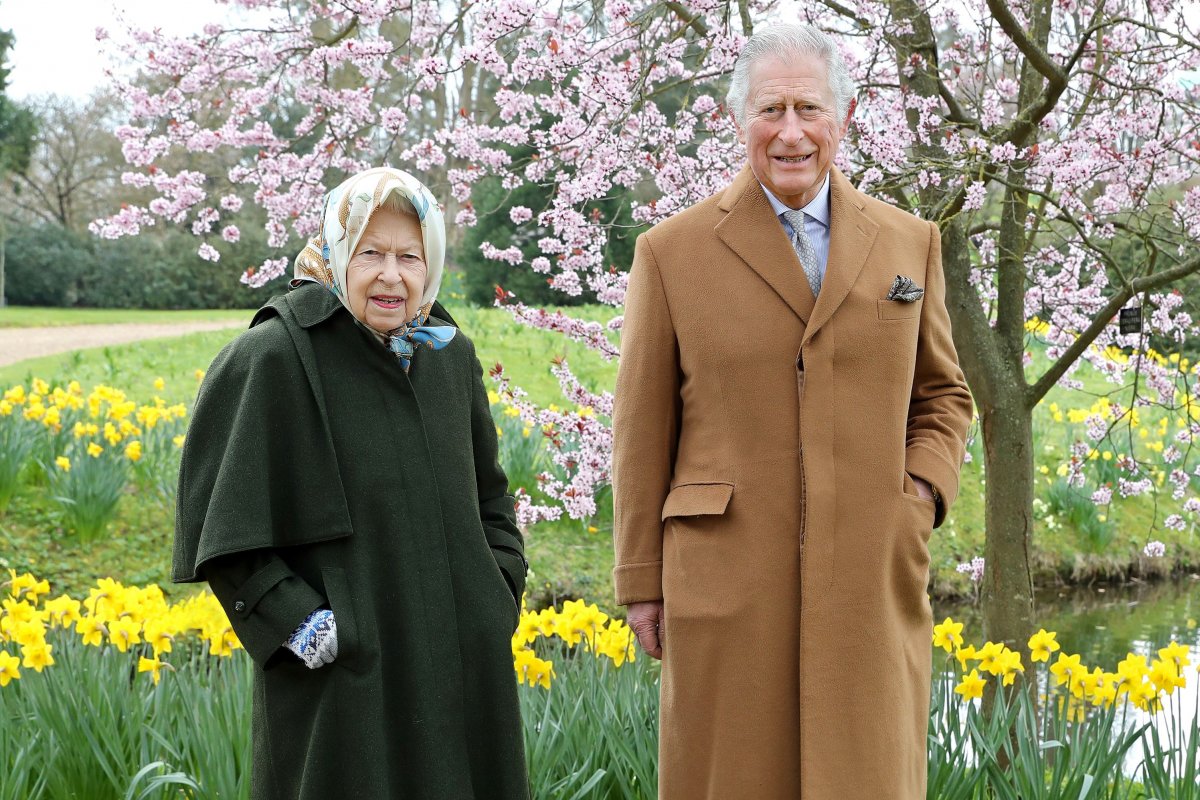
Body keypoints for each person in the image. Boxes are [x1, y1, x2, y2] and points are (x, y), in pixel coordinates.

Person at [611, 23, 974, 800]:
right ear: (737, 120)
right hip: (727, 579)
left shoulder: (910, 244)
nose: (790, 132)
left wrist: (917, 493)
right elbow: (641, 431)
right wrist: (640, 580)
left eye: (809, 108)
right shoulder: (670, 253)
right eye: (770, 110)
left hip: (871, 574)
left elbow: (943, 395)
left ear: (844, 117)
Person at [173, 167, 530, 800]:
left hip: (463, 663)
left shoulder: (449, 354)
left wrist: (495, 588)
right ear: (337, 252)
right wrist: (298, 623)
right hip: (342, 681)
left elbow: (491, 498)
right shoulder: (274, 355)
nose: (392, 276)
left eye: (409, 257)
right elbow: (221, 529)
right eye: (370, 253)